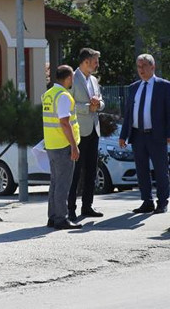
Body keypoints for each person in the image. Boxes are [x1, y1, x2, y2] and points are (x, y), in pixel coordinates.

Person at [118, 54, 170, 214]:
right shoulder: (134, 87)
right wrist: (123, 135)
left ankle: (162, 202)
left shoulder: (163, 86)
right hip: (138, 135)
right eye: (139, 66)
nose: (141, 70)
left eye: (144, 66)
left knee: (160, 169)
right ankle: (147, 201)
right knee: (141, 170)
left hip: (156, 135)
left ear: (153, 67)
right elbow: (128, 114)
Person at [42, 65, 82, 230]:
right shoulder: (63, 96)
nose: (73, 79)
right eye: (72, 76)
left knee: (55, 182)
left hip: (51, 144)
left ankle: (52, 217)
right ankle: (61, 219)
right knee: (63, 184)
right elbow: (65, 122)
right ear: (68, 78)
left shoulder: (48, 94)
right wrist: (74, 146)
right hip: (63, 144)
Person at [68, 48, 105, 221]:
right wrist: (86, 108)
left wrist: (99, 104)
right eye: (95, 61)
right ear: (86, 62)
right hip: (78, 132)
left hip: (94, 130)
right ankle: (70, 209)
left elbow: (101, 101)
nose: (97, 64)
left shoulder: (94, 80)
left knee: (91, 170)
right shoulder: (72, 79)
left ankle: (87, 206)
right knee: (75, 172)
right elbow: (67, 106)